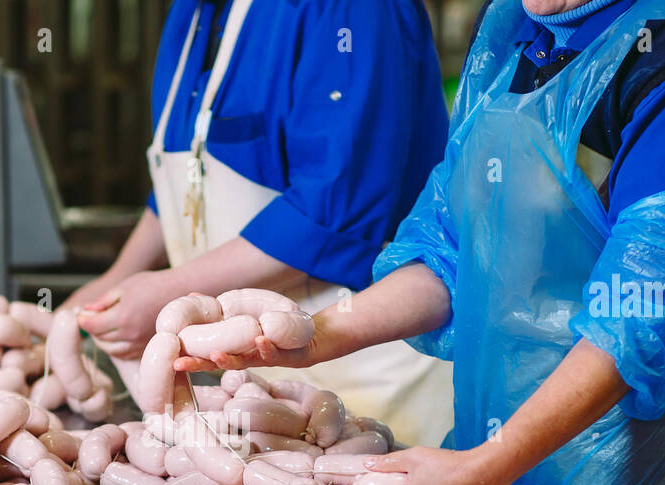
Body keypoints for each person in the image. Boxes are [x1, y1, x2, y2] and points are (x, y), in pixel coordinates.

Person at [176, 0, 665, 485]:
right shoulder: (514, 32)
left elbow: (646, 315)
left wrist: (482, 469)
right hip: (513, 462)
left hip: (664, 470)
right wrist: (315, 335)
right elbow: (452, 252)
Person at [63, 0, 454, 446]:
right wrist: (118, 279)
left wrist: (169, 291)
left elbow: (331, 214)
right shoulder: (196, 13)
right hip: (249, 378)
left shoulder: (352, 10)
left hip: (367, 373)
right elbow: (186, 180)